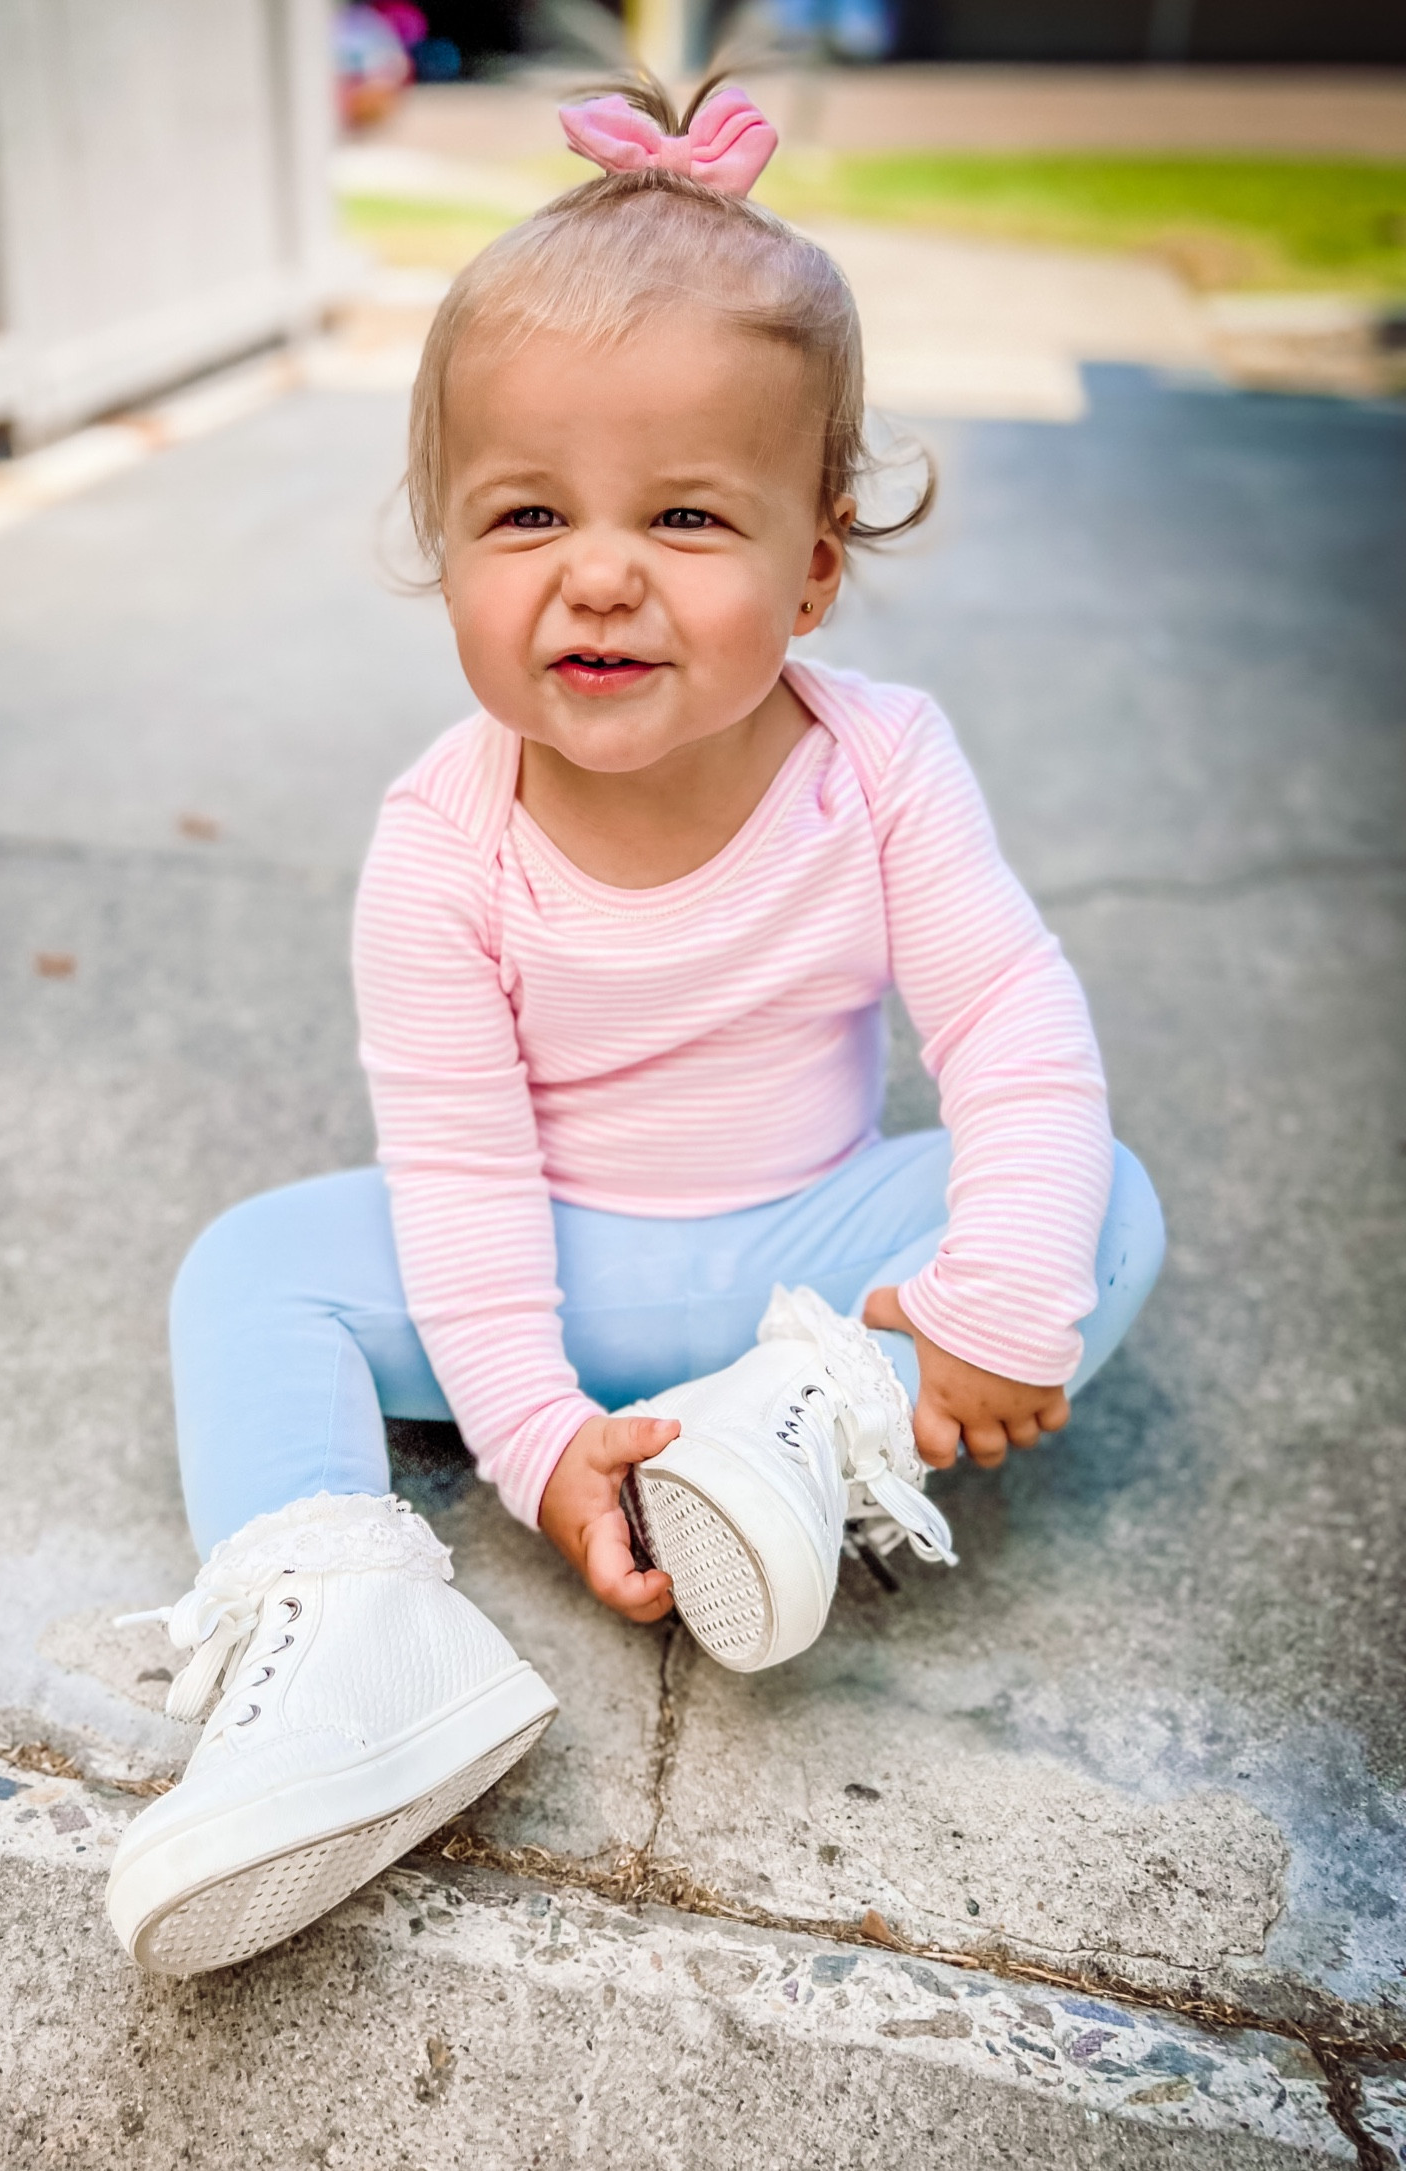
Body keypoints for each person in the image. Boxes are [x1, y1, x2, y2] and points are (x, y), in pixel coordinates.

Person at [106, 77, 1164, 1977]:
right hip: (554, 1260)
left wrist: (996, 1287)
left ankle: (797, 1432)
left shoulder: (885, 770)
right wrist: (530, 1435)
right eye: (529, 515)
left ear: (816, 563)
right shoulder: (443, 845)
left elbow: (1009, 1019)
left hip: (816, 1254)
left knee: (1106, 1201)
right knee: (249, 1270)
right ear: (447, 548)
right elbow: (459, 1163)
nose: (598, 571)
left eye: (685, 513)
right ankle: (355, 1639)